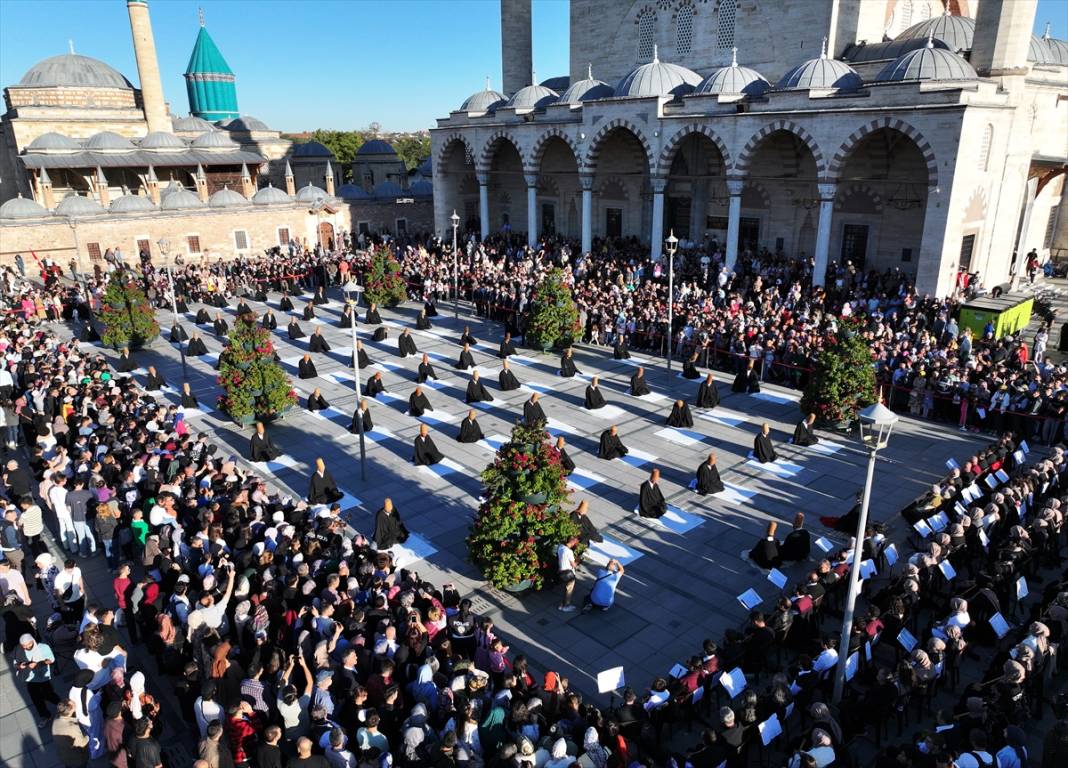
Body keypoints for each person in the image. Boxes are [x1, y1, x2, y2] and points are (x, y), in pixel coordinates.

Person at [16, 634, 59, 726]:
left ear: (33, 641)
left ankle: (63, 707)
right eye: (24, 646)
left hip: (44, 678)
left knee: (50, 695)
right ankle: (45, 716)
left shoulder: (43, 647)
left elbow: (51, 660)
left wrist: (39, 663)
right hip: (30, 679)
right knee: (36, 699)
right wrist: (20, 666)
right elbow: (15, 663)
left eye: (28, 645)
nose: (26, 647)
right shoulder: (19, 650)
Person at [53, 699, 90, 767]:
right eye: (74, 705)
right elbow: (81, 743)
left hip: (64, 755)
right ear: (70, 711)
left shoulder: (56, 719)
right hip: (76, 759)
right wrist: (88, 737)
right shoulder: (72, 727)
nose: (76, 705)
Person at [557, 536, 579, 612]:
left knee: (564, 589)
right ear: (572, 542)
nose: (575, 545)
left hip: (561, 571)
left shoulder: (560, 547)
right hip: (568, 573)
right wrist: (578, 561)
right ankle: (566, 606)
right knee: (568, 590)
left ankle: (561, 605)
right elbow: (574, 565)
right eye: (575, 543)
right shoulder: (569, 552)